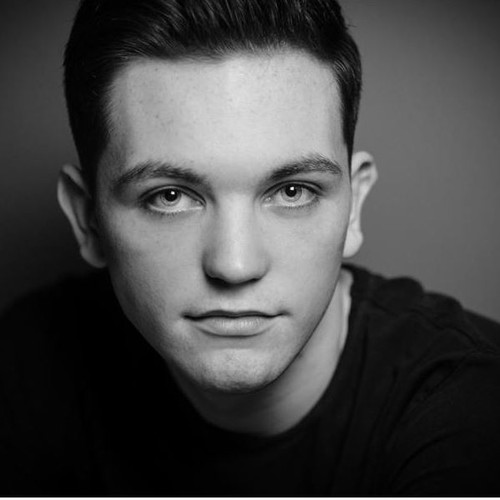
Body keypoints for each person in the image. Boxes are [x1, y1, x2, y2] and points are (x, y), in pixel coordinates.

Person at [1, 0, 500, 495]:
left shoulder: (471, 406)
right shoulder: (26, 369)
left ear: (353, 207)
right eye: (170, 196)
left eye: (293, 191)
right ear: (87, 219)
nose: (235, 265)